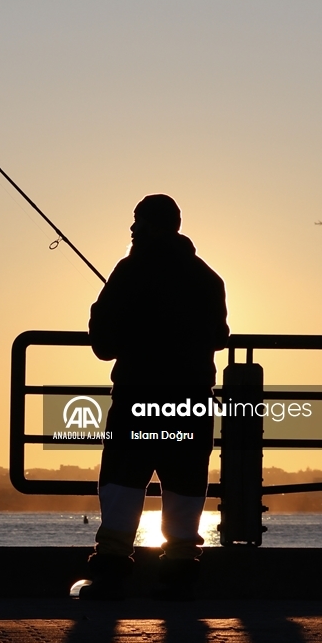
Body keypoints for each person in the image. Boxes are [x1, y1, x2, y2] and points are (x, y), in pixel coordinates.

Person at [77, 194, 229, 601]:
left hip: (137, 398)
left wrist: (101, 310)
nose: (130, 229)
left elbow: (104, 343)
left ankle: (110, 568)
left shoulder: (129, 271)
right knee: (184, 483)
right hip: (191, 400)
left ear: (145, 225)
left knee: (124, 481)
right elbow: (218, 337)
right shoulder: (209, 278)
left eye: (135, 221)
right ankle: (180, 569)